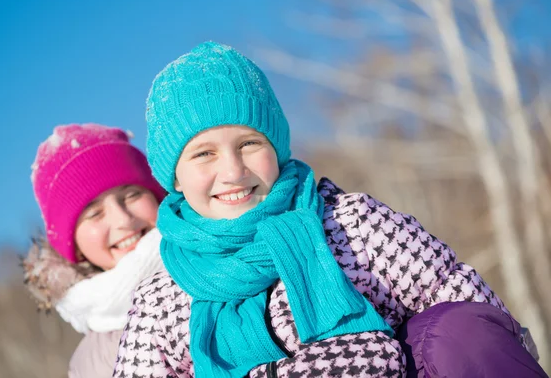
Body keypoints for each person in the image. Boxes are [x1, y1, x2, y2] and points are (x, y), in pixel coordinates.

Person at [113, 42, 546, 378]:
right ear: (174, 179)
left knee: (457, 329)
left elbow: (459, 301)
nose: (232, 171)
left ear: (277, 149)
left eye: (249, 144)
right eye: (203, 154)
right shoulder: (161, 300)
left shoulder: (348, 226)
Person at [22, 123, 165, 378]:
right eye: (95, 214)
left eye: (132, 195)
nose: (123, 219)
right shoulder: (88, 366)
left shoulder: (225, 263)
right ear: (73, 247)